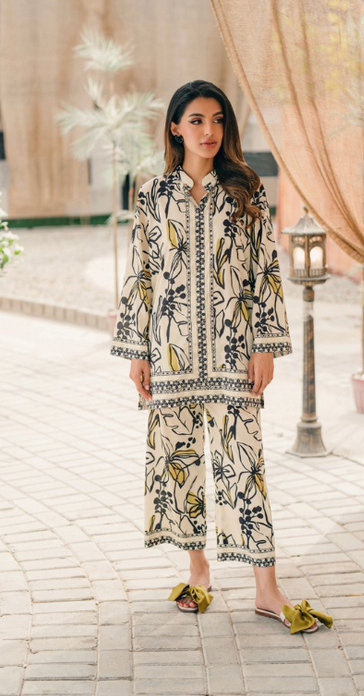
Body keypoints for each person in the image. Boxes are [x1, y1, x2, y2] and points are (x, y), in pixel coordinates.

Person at [110, 80, 332, 635]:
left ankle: (266, 588)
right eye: (197, 121)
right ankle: (198, 570)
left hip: (233, 353)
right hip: (171, 353)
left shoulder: (246, 189)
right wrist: (137, 351)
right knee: (178, 460)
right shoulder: (152, 196)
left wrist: (264, 344)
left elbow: (265, 271)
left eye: (217, 120)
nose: (209, 131)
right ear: (175, 128)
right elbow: (141, 276)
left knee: (244, 463)